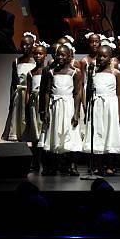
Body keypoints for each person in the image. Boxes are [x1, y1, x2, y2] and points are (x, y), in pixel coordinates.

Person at [82, 44, 120, 175]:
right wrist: (87, 108)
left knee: (110, 134)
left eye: (104, 56)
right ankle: (97, 165)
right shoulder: (93, 72)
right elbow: (88, 91)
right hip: (96, 105)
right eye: (99, 56)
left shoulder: (116, 73)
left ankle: (110, 165)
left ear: (110, 58)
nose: (101, 58)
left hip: (111, 107)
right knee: (97, 134)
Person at [39, 44, 83, 176]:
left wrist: (76, 113)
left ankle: (71, 165)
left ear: (70, 56)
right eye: (58, 54)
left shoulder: (75, 72)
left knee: (70, 134)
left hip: (69, 106)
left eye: (63, 54)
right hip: (55, 106)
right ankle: (53, 165)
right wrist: (45, 111)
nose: (60, 57)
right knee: (54, 134)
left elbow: (77, 93)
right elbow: (46, 92)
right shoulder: (51, 72)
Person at [2, 33, 37, 142]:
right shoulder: (16, 61)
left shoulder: (36, 61)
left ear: (33, 45)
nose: (24, 47)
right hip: (19, 95)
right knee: (19, 124)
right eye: (23, 45)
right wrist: (11, 100)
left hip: (31, 96)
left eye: (27, 45)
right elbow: (13, 83)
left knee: (32, 122)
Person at [24, 42, 48, 173]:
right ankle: (35, 162)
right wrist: (27, 106)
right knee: (35, 133)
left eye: (40, 53)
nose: (38, 55)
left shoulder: (48, 71)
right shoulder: (30, 73)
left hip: (43, 103)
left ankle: (45, 162)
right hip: (34, 104)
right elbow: (28, 91)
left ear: (45, 55)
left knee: (44, 133)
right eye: (36, 53)